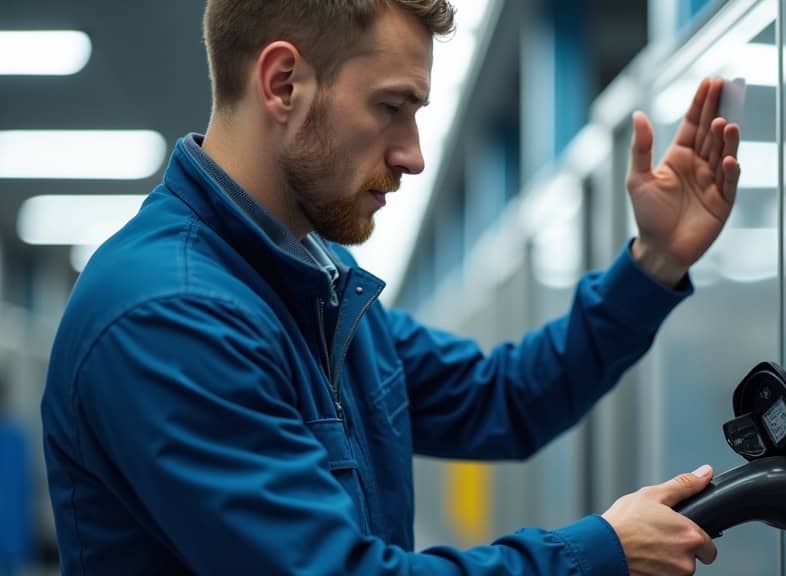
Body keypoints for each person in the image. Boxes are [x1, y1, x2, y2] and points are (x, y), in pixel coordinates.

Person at [40, 1, 742, 574]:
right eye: (391, 107)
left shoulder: (313, 286)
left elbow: (506, 398)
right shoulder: (173, 316)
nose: (412, 154)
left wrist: (652, 264)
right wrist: (598, 553)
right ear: (283, 84)